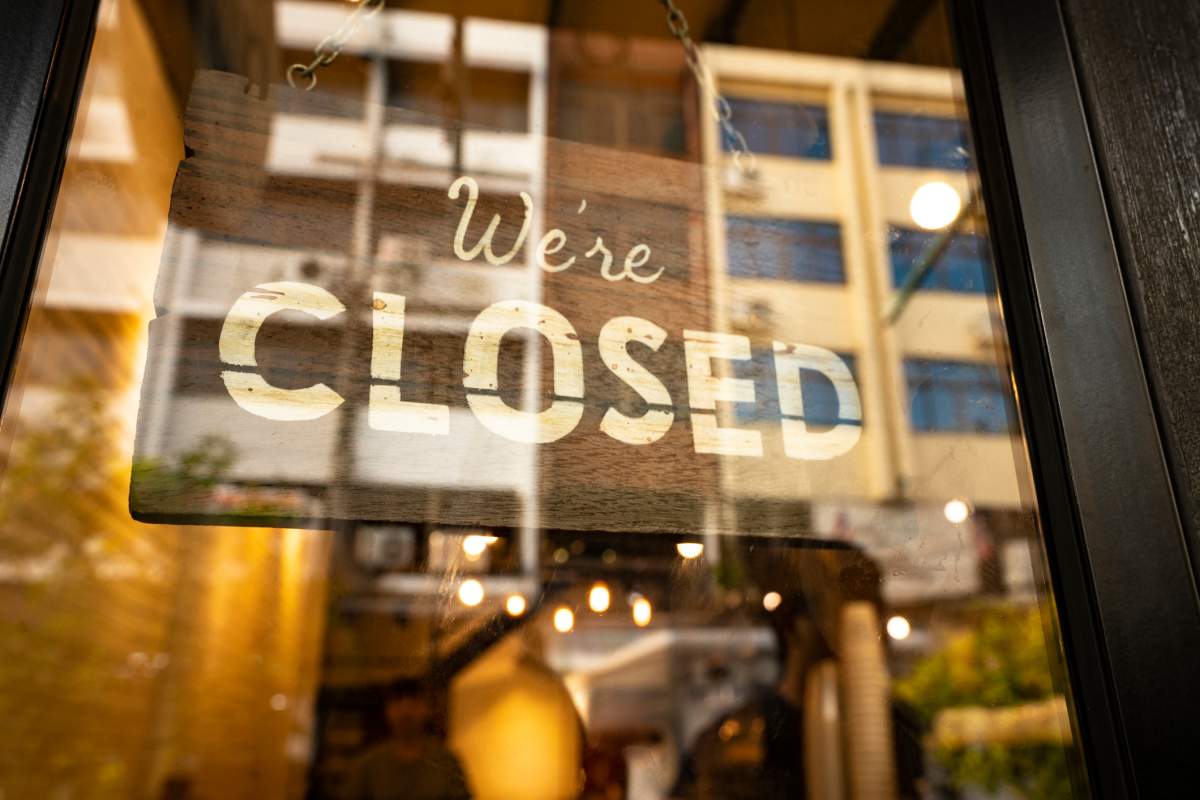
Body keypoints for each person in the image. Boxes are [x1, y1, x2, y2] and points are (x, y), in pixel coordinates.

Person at [341, 678, 472, 800]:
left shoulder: (447, 761)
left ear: (426, 709)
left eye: (414, 702)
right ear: (387, 710)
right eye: (398, 702)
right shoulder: (367, 765)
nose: (405, 710)